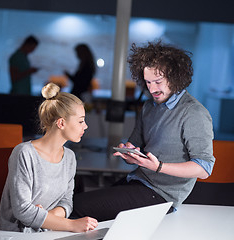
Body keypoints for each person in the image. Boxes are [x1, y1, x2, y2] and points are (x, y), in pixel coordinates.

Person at [71, 40, 215, 221]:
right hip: (138, 181)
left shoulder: (194, 113)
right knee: (75, 203)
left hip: (162, 196)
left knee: (77, 207)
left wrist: (158, 167)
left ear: (175, 77)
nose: (152, 89)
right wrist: (130, 152)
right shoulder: (149, 106)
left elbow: (204, 168)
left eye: (158, 82)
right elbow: (136, 144)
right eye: (147, 82)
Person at [0, 82, 98, 233]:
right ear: (61, 123)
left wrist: (44, 217)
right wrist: (72, 225)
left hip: (47, 233)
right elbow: (22, 211)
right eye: (81, 121)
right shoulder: (24, 153)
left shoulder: (69, 158)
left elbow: (66, 202)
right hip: (14, 234)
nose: (85, 126)